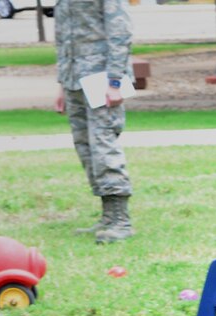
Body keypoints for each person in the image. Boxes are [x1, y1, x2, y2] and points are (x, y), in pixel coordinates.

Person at [53, 0, 133, 244]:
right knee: (85, 148)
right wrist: (61, 85)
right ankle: (107, 216)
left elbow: (120, 32)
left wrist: (115, 81)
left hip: (101, 78)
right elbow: (64, 38)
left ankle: (121, 220)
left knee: (103, 145)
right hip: (74, 79)